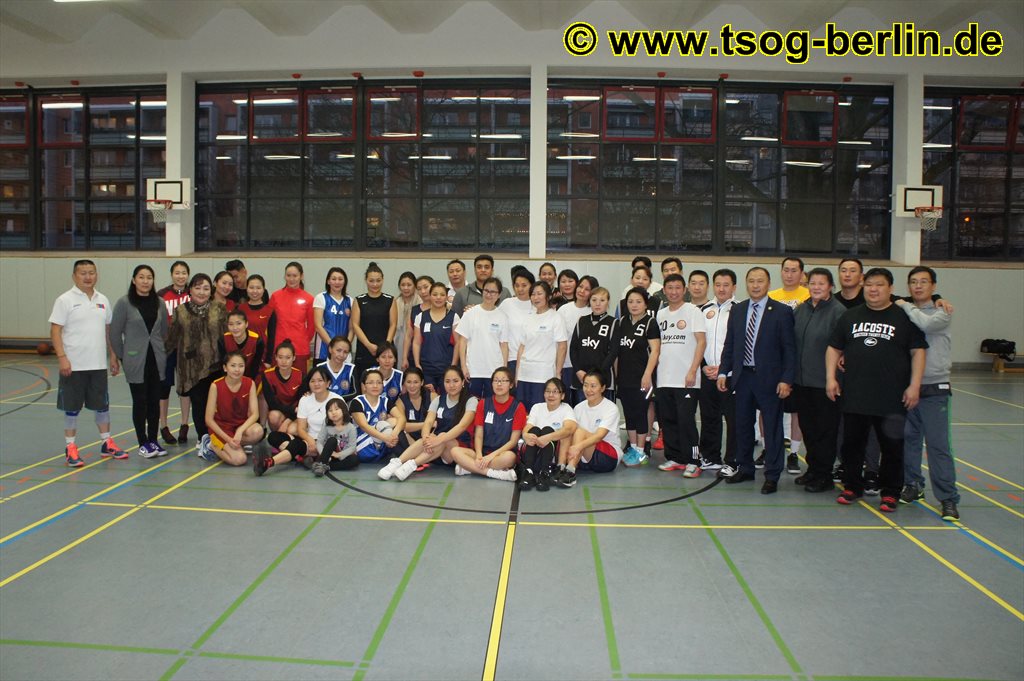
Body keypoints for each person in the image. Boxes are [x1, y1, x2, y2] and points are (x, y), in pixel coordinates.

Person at [826, 268, 927, 513]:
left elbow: (918, 351)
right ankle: (852, 486)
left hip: (891, 397)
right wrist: (830, 378)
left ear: (890, 288)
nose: (873, 289)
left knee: (892, 448)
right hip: (855, 394)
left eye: (879, 285)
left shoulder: (903, 317)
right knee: (852, 445)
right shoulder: (851, 316)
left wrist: (915, 385)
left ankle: (890, 492)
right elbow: (834, 347)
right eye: (869, 284)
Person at [717, 267, 796, 495]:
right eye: (751, 281)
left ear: (768, 283)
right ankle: (745, 468)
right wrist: (723, 372)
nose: (755, 285)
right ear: (746, 284)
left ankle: (772, 475)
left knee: (771, 429)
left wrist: (786, 379)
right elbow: (730, 344)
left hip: (771, 379)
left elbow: (789, 349)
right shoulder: (738, 309)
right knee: (742, 426)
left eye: (760, 281)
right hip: (742, 378)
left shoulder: (782, 311)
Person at [897, 267, 960, 520]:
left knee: (937, 445)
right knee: (908, 440)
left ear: (933, 286)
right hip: (907, 387)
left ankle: (948, 498)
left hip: (935, 388)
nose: (918, 286)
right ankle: (913, 484)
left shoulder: (942, 311)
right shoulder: (903, 309)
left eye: (924, 282)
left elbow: (925, 323)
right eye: (913, 282)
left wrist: (906, 305)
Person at [792, 268, 846, 493]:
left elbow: (843, 346)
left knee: (825, 431)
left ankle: (824, 475)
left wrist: (833, 376)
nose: (816, 287)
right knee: (809, 429)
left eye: (821, 283)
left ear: (831, 286)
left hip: (825, 384)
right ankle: (813, 470)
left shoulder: (838, 312)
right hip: (802, 382)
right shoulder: (801, 309)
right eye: (812, 283)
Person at [378, 366, 478, 481]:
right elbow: (428, 422)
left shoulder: (471, 401)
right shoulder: (438, 400)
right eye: (447, 381)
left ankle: (412, 465)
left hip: (460, 450)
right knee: (427, 438)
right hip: (437, 451)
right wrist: (426, 438)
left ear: (463, 382)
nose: (451, 385)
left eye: (455, 381)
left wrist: (437, 440)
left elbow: (462, 426)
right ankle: (396, 463)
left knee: (441, 437)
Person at [110, 264, 167, 458]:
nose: (145, 281)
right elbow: (115, 333)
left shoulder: (160, 303)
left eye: (149, 277)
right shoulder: (124, 303)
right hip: (135, 361)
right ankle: (143, 442)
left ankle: (154, 440)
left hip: (156, 359)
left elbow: (164, 332)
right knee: (140, 401)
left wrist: (162, 351)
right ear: (134, 280)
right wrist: (122, 356)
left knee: (154, 402)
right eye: (141, 277)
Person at [167, 273, 229, 448]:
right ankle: (203, 439)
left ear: (211, 291)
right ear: (190, 290)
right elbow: (171, 339)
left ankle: (219, 436)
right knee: (198, 403)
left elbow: (227, 336)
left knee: (217, 404)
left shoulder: (219, 309)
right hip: (191, 368)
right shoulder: (180, 310)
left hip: (216, 365)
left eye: (206, 288)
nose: (202, 292)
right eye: (198, 288)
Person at [655, 273, 707, 477]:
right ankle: (675, 457)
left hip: (686, 379)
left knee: (686, 421)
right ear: (664, 291)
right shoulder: (661, 314)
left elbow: (701, 342)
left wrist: (693, 370)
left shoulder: (693, 311)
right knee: (668, 420)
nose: (674, 292)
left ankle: (693, 460)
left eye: (678, 288)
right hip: (664, 378)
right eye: (670, 288)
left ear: (684, 290)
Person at [257, 365, 342, 476]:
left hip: (328, 442)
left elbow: (340, 428)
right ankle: (303, 457)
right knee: (274, 436)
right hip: (309, 441)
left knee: (297, 445)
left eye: (320, 380)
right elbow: (301, 429)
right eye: (313, 381)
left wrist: (318, 443)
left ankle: (270, 462)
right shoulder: (305, 399)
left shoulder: (337, 400)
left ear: (328, 383)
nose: (316, 384)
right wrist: (310, 441)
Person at [609, 287, 660, 465]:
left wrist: (647, 375)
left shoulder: (650, 323)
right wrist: (617, 375)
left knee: (640, 412)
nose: (634, 305)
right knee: (629, 413)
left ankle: (641, 451)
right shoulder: (622, 322)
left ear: (646, 304)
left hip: (642, 377)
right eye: (630, 302)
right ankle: (632, 447)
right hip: (625, 378)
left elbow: (655, 351)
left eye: (638, 301)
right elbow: (617, 352)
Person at [768, 257, 809, 472]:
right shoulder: (772, 296)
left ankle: (793, 453)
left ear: (802, 274)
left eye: (794, 270)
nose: (789, 274)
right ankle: (768, 448)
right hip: (772, 361)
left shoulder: (808, 296)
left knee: (796, 411)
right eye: (786, 270)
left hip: (797, 361)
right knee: (767, 407)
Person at [448, 367, 524, 481]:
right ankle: (494, 473)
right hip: (482, 453)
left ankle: (470, 468)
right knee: (455, 451)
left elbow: (513, 441)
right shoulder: (483, 403)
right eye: (496, 380)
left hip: (502, 454)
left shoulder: (518, 407)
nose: (499, 384)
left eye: (503, 381)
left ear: (511, 385)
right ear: (492, 384)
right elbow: (479, 434)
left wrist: (491, 457)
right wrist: (479, 455)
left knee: (509, 458)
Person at [552, 370, 622, 488]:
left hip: (608, 457)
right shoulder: (578, 408)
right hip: (582, 456)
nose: (588, 390)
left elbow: (599, 436)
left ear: (602, 388)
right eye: (585, 385)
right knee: (568, 431)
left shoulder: (611, 408)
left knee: (580, 432)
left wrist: (577, 446)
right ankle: (561, 467)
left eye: (593, 386)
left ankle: (570, 471)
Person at [699, 269, 737, 474]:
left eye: (726, 285)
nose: (721, 289)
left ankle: (733, 460)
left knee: (733, 420)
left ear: (734, 287)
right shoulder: (703, 310)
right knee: (709, 417)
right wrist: (703, 366)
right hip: (707, 374)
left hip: (729, 376)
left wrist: (723, 369)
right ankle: (710, 456)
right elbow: (698, 342)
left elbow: (739, 345)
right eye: (718, 285)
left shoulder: (739, 310)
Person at [200, 351, 264, 465]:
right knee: (240, 459)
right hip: (222, 429)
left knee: (258, 431)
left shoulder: (250, 383)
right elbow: (208, 420)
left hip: (238, 426)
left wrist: (240, 431)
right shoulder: (216, 386)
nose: (237, 369)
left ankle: (234, 444)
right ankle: (210, 445)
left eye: (241, 366)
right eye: (233, 366)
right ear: (225, 368)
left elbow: (255, 414)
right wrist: (228, 439)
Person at [515, 281, 568, 411]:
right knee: (522, 411)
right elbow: (522, 347)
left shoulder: (556, 317)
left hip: (544, 374)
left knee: (540, 411)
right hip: (525, 374)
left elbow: (562, 346)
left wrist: (557, 372)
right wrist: (517, 373)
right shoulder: (528, 318)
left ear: (548, 296)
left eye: (539, 294)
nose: (536, 297)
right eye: (533, 294)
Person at [519, 377, 577, 491]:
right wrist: (525, 435)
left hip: (552, 457)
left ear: (562, 395)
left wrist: (548, 437)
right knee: (534, 430)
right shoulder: (537, 407)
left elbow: (569, 428)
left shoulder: (566, 409)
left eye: (555, 392)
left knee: (547, 430)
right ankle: (529, 472)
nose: (551, 395)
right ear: (544, 393)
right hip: (533, 453)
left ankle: (545, 473)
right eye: (548, 391)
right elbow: (528, 426)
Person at [456, 277, 510, 398]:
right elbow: (462, 341)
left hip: (494, 370)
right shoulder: (470, 313)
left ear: (499, 295)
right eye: (486, 291)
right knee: (472, 403)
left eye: (493, 292)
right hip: (473, 369)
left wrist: (504, 369)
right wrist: (463, 366)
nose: (489, 295)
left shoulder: (502, 317)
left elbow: (504, 345)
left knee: (491, 403)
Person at [157, 260, 191, 444]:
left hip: (187, 349)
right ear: (171, 275)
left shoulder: (193, 293)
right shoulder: (161, 295)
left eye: (184, 273)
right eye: (177, 273)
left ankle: (184, 424)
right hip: (166, 349)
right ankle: (163, 425)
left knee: (185, 387)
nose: (180, 276)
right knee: (164, 387)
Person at [569, 286, 617, 406]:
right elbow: (573, 348)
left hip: (603, 377)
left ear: (608, 302)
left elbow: (613, 351)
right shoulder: (581, 321)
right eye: (594, 300)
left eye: (602, 300)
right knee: (580, 412)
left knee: (602, 412)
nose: (597, 303)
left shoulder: (613, 323)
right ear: (589, 301)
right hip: (580, 377)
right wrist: (578, 370)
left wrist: (597, 374)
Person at [352, 261, 397, 387]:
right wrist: (368, 345)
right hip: (365, 350)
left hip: (385, 352)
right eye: (371, 281)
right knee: (365, 384)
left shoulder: (390, 300)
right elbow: (355, 325)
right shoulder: (359, 300)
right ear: (366, 281)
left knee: (387, 385)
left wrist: (385, 347)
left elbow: (393, 324)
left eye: (378, 280)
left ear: (383, 280)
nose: (375, 284)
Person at [350, 368, 406, 463]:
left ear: (383, 385)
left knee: (396, 424)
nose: (375, 386)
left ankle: (406, 459)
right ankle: (406, 459)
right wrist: (386, 438)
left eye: (379, 382)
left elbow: (402, 418)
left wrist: (393, 435)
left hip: (383, 443)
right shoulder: (357, 402)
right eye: (371, 383)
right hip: (363, 446)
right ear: (364, 386)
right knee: (385, 424)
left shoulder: (385, 400)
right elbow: (364, 426)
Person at [414, 281, 461, 395]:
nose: (438, 298)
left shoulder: (453, 317)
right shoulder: (421, 317)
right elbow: (416, 342)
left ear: (446, 297)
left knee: (447, 398)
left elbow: (458, 343)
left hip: (446, 368)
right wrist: (417, 364)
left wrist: (453, 365)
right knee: (428, 399)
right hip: (426, 369)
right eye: (435, 294)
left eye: (442, 294)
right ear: (430, 296)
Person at [268, 261, 315, 373]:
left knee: (300, 380)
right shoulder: (275, 296)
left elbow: (312, 326)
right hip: (279, 348)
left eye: (295, 276)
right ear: (284, 276)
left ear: (301, 276)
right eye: (288, 275)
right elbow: (269, 323)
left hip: (300, 349)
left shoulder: (309, 298)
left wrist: (303, 340)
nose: (291, 279)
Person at [557, 274, 595, 388]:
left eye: (587, 289)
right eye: (580, 286)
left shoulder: (593, 311)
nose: (582, 291)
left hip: (586, 367)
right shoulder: (564, 310)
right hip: (566, 364)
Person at [262, 340, 303, 437]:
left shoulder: (301, 375)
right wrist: (292, 410)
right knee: (273, 416)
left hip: (296, 414)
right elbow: (272, 404)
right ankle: (278, 437)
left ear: (294, 358)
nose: (284, 362)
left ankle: (284, 437)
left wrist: (288, 420)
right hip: (282, 411)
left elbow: (303, 403)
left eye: (288, 358)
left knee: (291, 430)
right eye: (280, 357)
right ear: (275, 357)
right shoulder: (267, 375)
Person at [499, 268, 535, 379]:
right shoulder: (507, 304)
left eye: (524, 285)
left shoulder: (537, 306)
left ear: (532, 286)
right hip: (511, 359)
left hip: (532, 360)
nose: (520, 289)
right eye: (517, 285)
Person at [309, 398, 359, 477]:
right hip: (327, 455)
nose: (333, 412)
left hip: (341, 456)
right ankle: (322, 463)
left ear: (343, 410)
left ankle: (325, 466)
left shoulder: (351, 427)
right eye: (330, 410)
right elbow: (319, 442)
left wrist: (339, 455)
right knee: (332, 440)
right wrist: (324, 455)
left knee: (354, 460)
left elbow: (352, 447)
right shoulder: (327, 425)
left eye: (336, 409)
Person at [313, 267, 353, 362]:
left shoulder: (350, 301)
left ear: (345, 282)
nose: (337, 282)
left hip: (343, 353)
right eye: (334, 279)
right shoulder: (321, 298)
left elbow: (352, 329)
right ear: (328, 281)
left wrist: (344, 348)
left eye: (340, 279)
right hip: (323, 350)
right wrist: (333, 347)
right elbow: (318, 326)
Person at [218, 310, 265, 380]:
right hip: (231, 377)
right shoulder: (223, 340)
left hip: (252, 376)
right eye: (231, 324)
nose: (235, 328)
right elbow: (223, 364)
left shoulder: (257, 341)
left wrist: (247, 382)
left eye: (238, 323)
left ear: (246, 324)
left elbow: (255, 366)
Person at [238, 274, 272, 364]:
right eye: (251, 287)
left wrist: (268, 360)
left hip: (262, 356)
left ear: (263, 289)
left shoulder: (270, 311)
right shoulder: (240, 309)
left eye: (258, 288)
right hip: (242, 355)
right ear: (247, 289)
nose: (255, 291)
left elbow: (272, 338)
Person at [394, 367, 429, 454]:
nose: (412, 386)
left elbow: (437, 424)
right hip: (410, 440)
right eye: (409, 382)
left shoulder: (432, 396)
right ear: (404, 383)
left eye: (415, 382)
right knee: (397, 432)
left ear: (422, 382)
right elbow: (403, 426)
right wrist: (427, 424)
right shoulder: (400, 401)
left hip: (429, 439)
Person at [402, 275, 434, 370]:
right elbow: (408, 335)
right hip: (416, 357)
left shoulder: (445, 308)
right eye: (419, 289)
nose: (423, 291)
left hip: (437, 356)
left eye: (426, 287)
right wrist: (404, 358)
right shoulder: (414, 310)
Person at [393, 271, 418, 371]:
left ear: (414, 286)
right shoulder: (395, 303)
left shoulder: (420, 302)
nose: (406, 288)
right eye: (403, 285)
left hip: (416, 343)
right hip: (398, 343)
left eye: (409, 285)